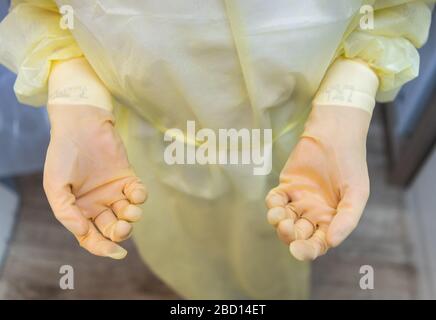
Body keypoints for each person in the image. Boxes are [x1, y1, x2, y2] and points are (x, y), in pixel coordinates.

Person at [0, 0, 434, 299]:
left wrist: (344, 109)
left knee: (265, 263)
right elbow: (45, 12)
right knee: (187, 252)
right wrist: (78, 105)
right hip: (143, 152)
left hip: (296, 155)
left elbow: (392, 11)